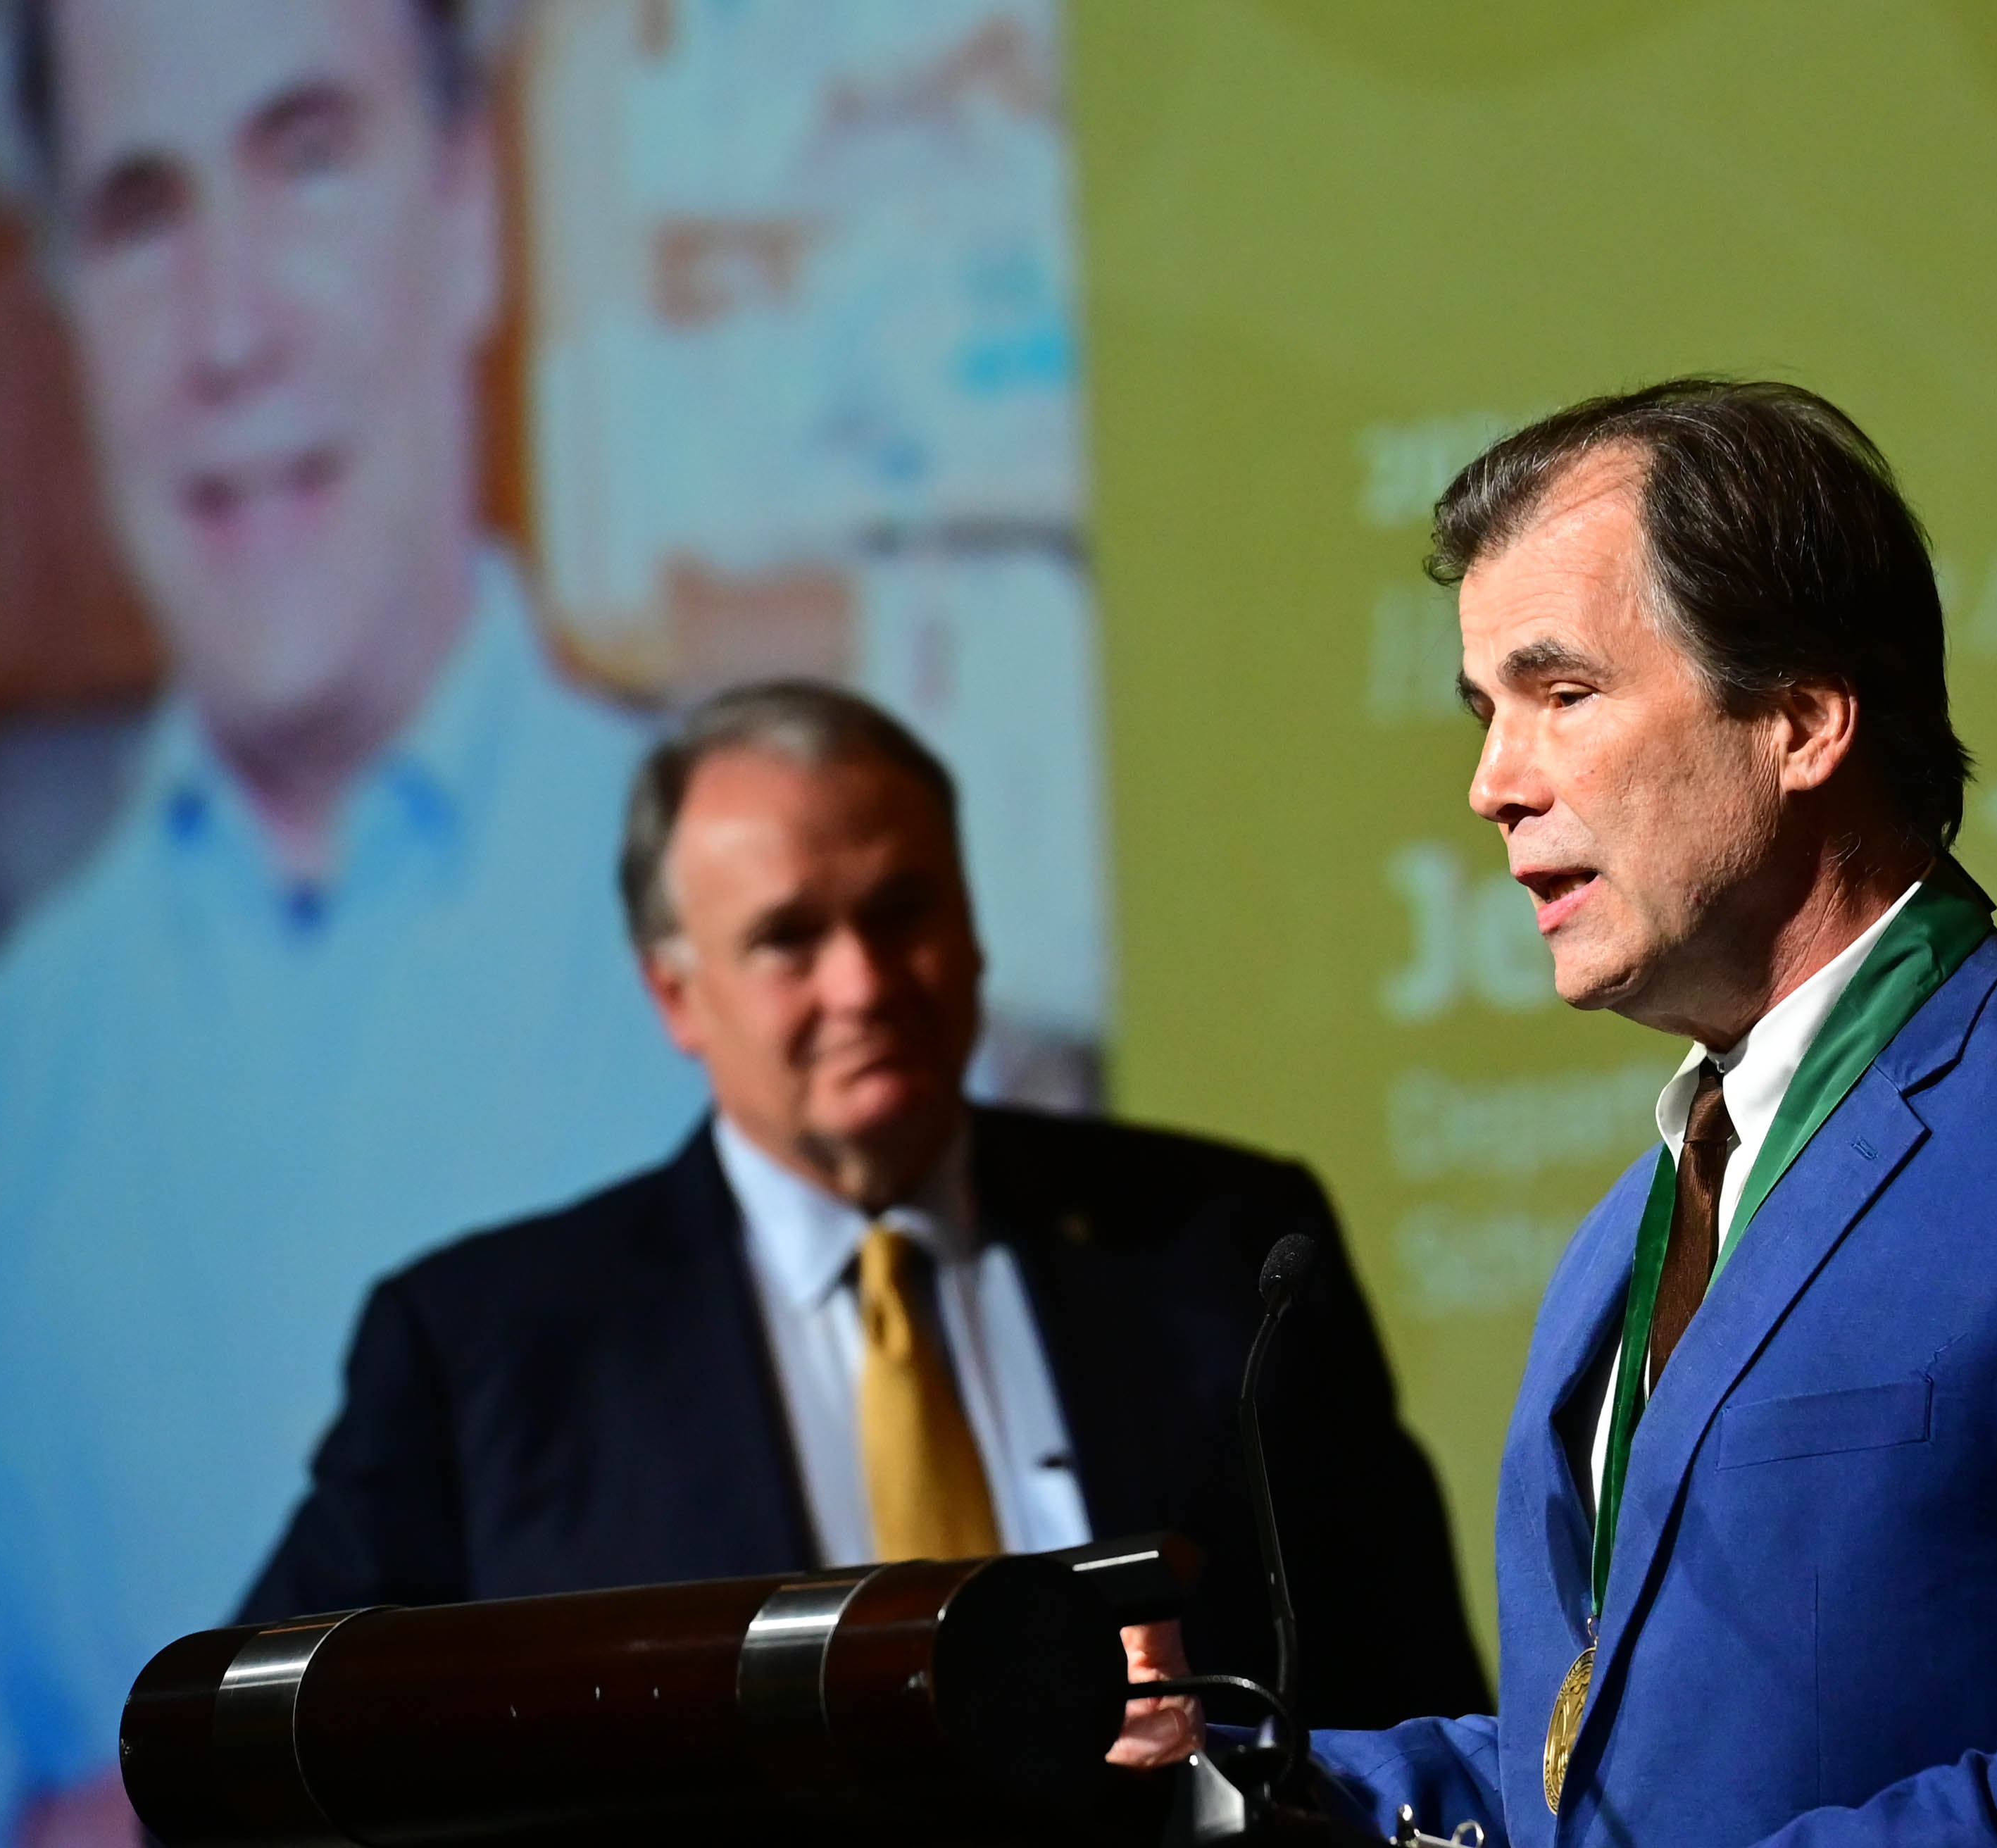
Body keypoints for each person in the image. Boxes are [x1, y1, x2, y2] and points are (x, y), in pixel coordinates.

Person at [1282, 380, 1997, 1847]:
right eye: (1487, 712)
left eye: (1562, 694)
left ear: (1802, 720)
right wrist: (1237, 1786)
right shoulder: (1640, 1218)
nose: (1493, 784)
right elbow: (1600, 1782)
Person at [0, 4, 703, 1842]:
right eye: (142, 210)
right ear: (70, 307)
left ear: (473, 205)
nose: (229, 328)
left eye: (308, 155)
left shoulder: (785, 949)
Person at [239, 681, 1489, 1756]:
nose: (865, 985)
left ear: (974, 924)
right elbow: (247, 1754)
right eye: (790, 938)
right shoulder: (482, 1355)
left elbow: (1421, 1712)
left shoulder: (1222, 1245)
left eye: (903, 913)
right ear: (677, 995)